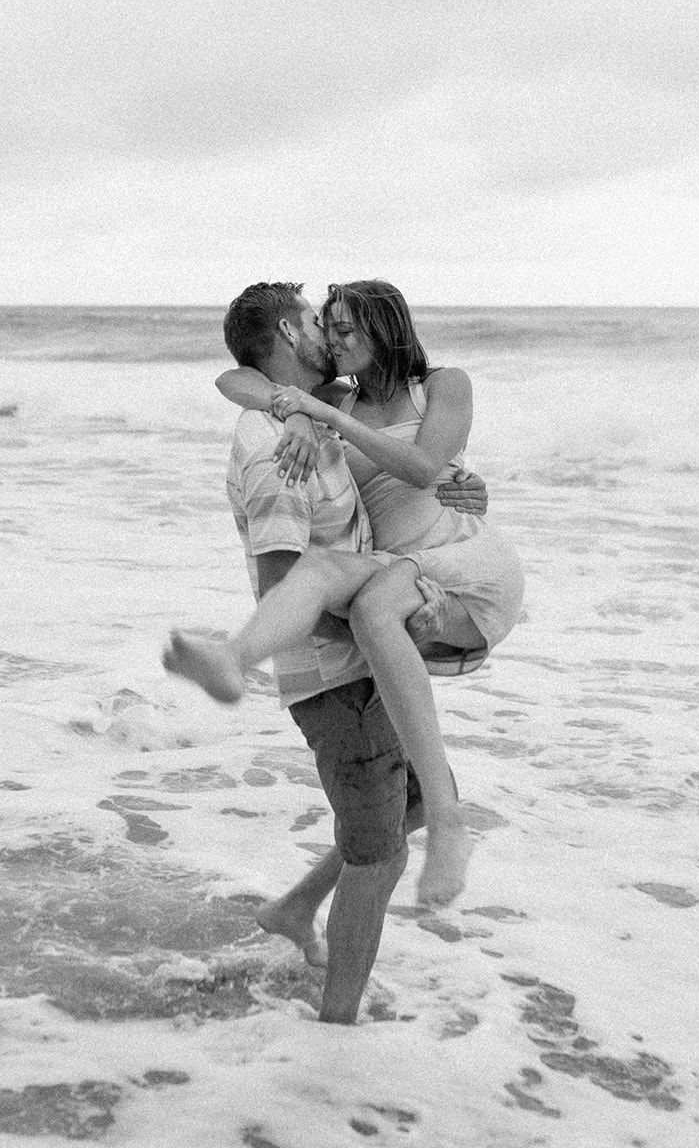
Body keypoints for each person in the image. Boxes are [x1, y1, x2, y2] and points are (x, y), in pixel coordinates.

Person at [164, 282, 489, 1024]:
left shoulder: (318, 414)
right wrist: (385, 627)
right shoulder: (279, 450)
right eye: (316, 320)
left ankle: (293, 908)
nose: (328, 334)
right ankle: (336, 1028)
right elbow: (282, 585)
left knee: (403, 811)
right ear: (288, 328)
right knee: (378, 860)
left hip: (362, 666)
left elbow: (243, 382)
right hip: (335, 681)